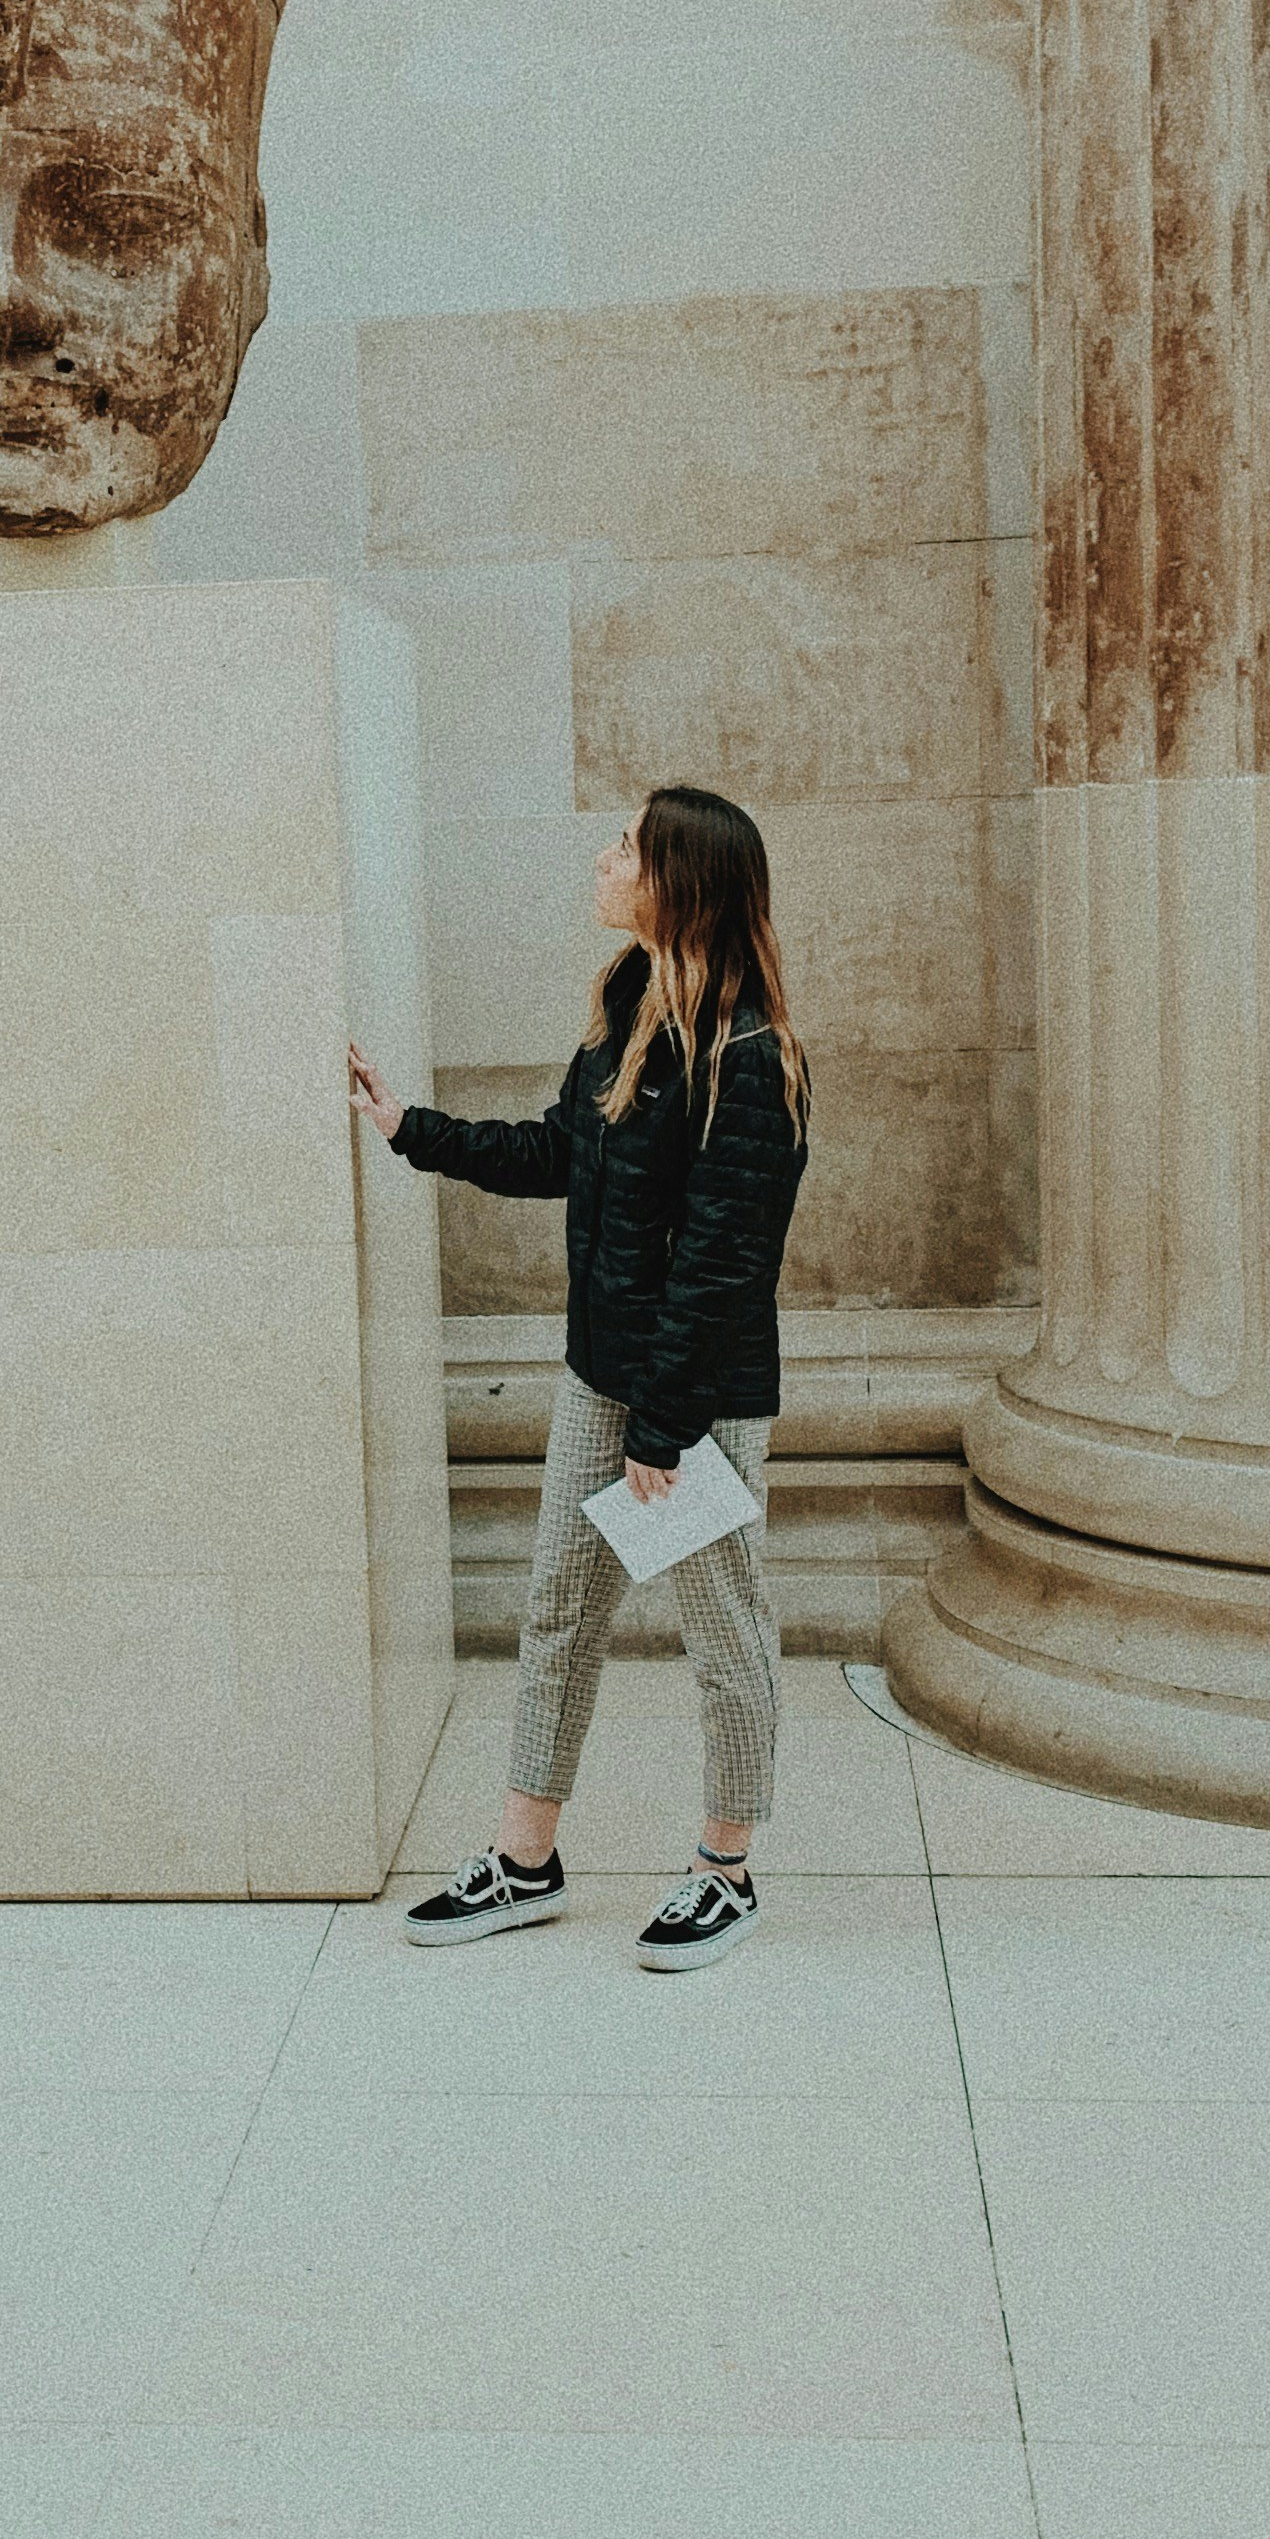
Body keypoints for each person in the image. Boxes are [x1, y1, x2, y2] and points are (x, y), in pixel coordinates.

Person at [349, 785, 810, 1973]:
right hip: (600, 1379)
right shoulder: (627, 1011)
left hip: (691, 1404)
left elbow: (723, 1266)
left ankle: (727, 1871)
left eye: (626, 847)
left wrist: (662, 1429)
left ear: (677, 882)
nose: (603, 859)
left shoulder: (750, 1058)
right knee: (557, 1611)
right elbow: (562, 1152)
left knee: (724, 1635)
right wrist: (412, 1128)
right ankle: (526, 1860)